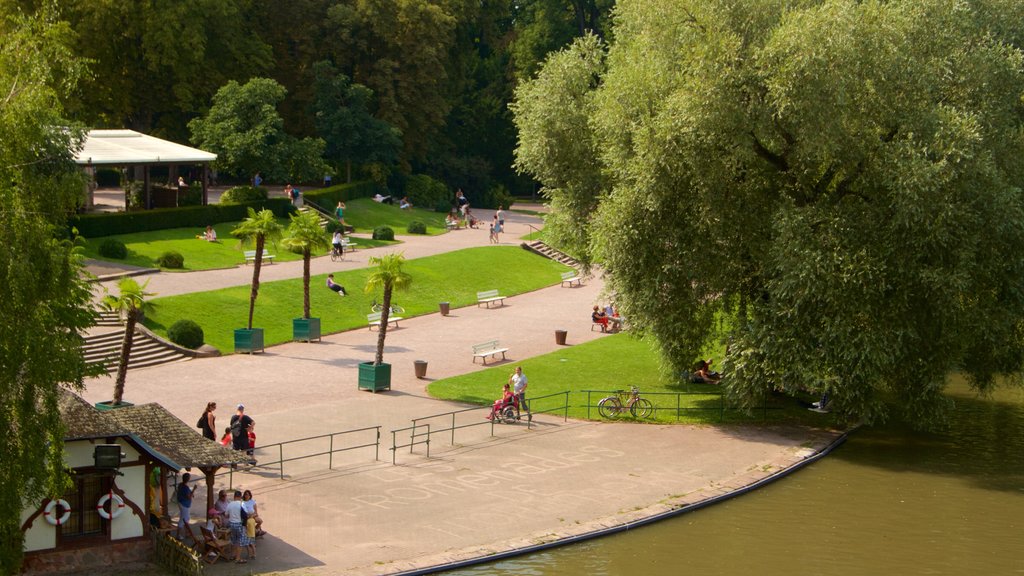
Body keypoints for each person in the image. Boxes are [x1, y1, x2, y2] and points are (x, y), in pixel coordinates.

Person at [225, 490, 254, 563]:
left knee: (234, 540)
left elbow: (226, 515)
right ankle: (238, 558)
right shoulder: (242, 504)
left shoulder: (230, 504)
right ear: (240, 497)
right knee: (240, 541)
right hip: (239, 524)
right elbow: (245, 515)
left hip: (231, 524)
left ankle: (233, 555)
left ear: (234, 496)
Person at [176, 472, 197, 541]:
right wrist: (194, 489)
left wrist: (191, 492)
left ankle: (187, 533)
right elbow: (189, 497)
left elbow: (188, 494)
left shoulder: (181, 485)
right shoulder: (185, 487)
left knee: (187, 518)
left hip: (182, 503)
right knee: (183, 519)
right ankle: (178, 535)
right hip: (184, 505)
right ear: (188, 479)